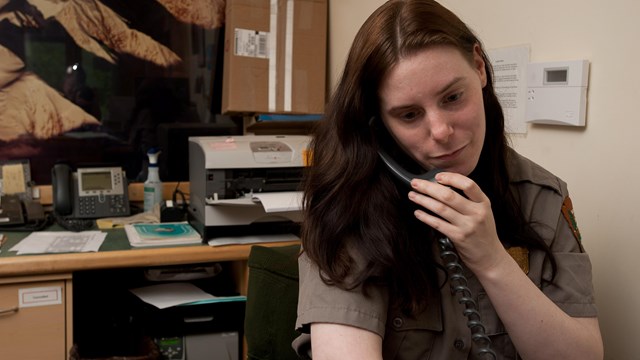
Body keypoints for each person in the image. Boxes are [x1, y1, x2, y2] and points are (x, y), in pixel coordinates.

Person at [292, 1, 604, 359]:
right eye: (409, 115)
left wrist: (491, 260)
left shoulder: (541, 197)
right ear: (377, 124)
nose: (441, 131)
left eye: (453, 97)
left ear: (479, 67)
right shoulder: (347, 207)